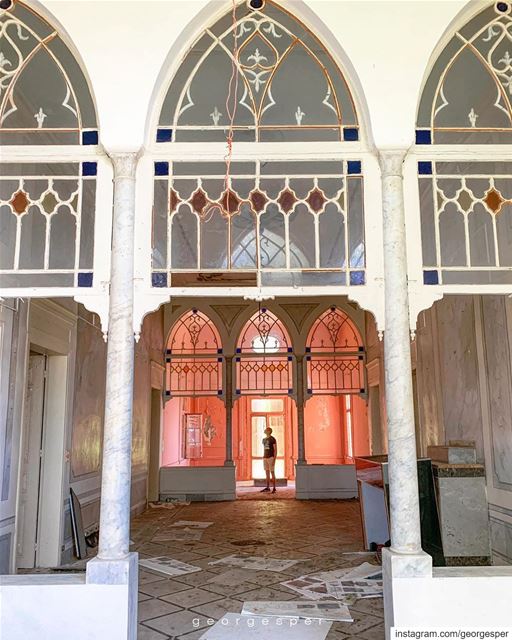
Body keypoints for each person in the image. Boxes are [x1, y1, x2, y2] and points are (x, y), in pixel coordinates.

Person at [261, 426, 277, 493]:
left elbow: (275, 450)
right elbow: (265, 449)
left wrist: (274, 460)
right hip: (265, 457)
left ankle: (274, 488)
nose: (265, 430)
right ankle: (267, 487)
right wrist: (263, 456)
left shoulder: (272, 439)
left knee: (272, 472)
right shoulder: (263, 439)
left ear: (269, 431)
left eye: (266, 429)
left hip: (271, 457)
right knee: (266, 473)